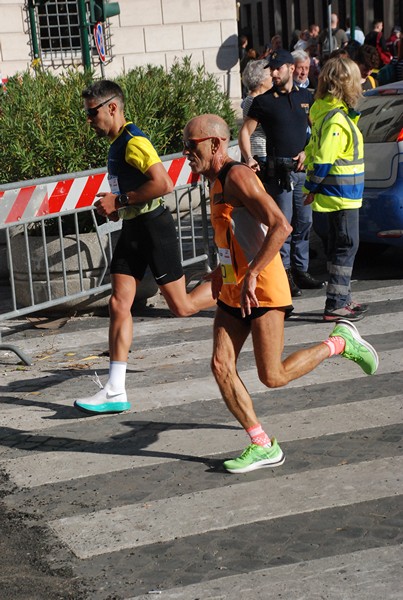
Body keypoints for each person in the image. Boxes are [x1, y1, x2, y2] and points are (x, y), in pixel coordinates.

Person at [183, 113, 379, 474]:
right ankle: (261, 443)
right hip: (234, 286)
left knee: (271, 376)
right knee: (220, 364)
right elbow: (237, 236)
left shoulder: (237, 176)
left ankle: (339, 342)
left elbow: (281, 226)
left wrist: (253, 273)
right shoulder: (212, 182)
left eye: (191, 145)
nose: (185, 153)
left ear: (215, 144)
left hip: (262, 289)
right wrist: (220, 273)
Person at [74, 80, 215, 414]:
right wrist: (116, 205)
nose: (89, 120)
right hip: (134, 227)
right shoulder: (116, 143)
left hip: (154, 228)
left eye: (92, 113)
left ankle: (234, 285)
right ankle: (114, 389)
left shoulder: (134, 141)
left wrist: (119, 200)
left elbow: (164, 183)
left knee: (180, 306)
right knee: (118, 303)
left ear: (112, 107)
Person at [238, 48, 324, 298]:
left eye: (278, 68)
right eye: (271, 69)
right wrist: (249, 158)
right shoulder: (263, 101)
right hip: (280, 172)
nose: (274, 73)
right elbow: (245, 132)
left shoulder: (305, 96)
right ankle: (284, 274)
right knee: (282, 225)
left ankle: (301, 270)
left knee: (304, 223)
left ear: (289, 68)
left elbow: (316, 129)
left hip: (302, 170)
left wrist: (309, 151)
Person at [303, 57, 367, 322]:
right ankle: (336, 303)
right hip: (342, 195)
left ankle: (342, 297)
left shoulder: (326, 112)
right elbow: (325, 159)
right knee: (346, 246)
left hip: (337, 194)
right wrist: (311, 187)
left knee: (340, 246)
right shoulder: (336, 119)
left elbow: (315, 152)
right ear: (346, 83)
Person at [241, 60, 272, 178]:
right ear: (261, 81)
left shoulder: (254, 99)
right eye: (269, 74)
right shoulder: (253, 101)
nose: (272, 77)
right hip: (260, 154)